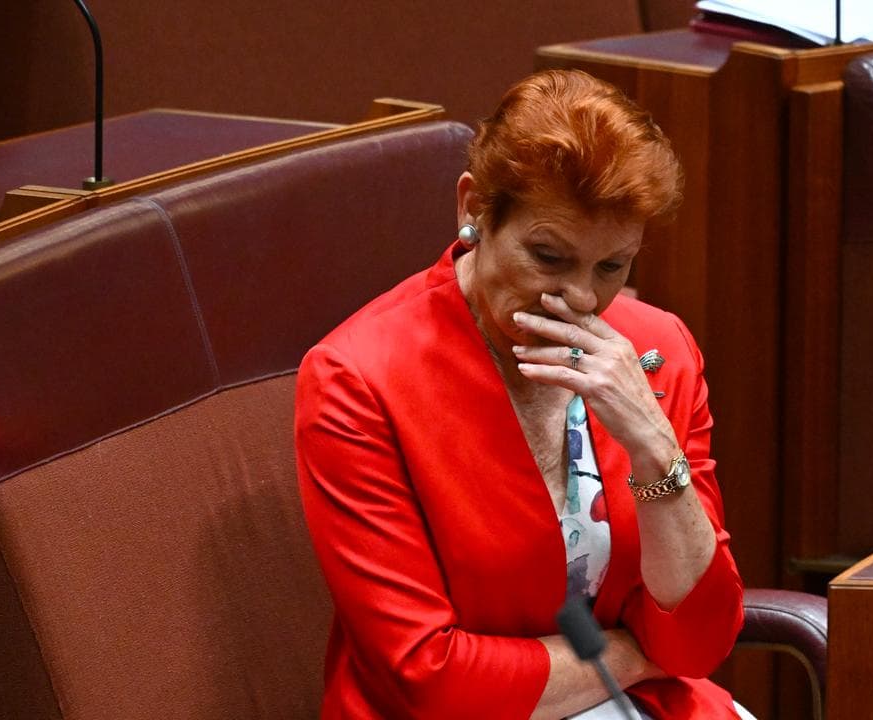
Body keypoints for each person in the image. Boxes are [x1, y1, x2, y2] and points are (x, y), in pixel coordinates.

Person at [295, 69, 747, 719]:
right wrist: (634, 657)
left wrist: (653, 448)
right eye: (549, 256)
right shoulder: (359, 381)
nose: (583, 300)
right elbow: (431, 680)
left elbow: (700, 640)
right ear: (474, 209)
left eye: (612, 266)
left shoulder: (658, 351)